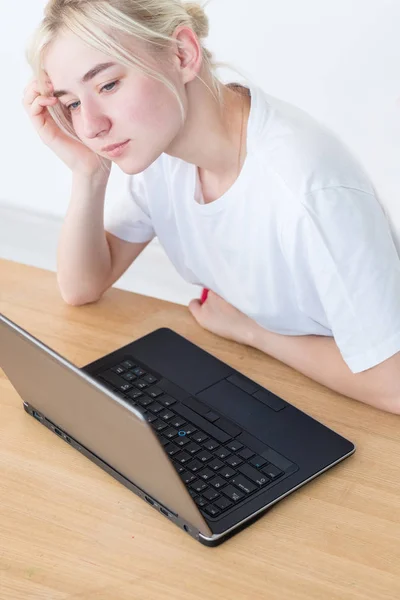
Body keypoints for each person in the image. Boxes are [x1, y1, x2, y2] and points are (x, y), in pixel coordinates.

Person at [23, 0, 400, 414]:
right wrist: (89, 174)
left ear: (182, 54)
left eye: (108, 85)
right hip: (281, 390)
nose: (92, 126)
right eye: (72, 103)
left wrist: (256, 334)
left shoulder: (307, 190)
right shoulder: (160, 155)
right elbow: (81, 287)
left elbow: (394, 384)